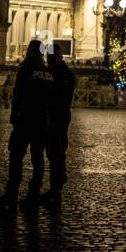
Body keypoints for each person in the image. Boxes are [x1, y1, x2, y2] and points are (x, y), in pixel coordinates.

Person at [0, 39, 53, 212]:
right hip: (41, 120)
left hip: (25, 119)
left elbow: (19, 94)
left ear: (32, 52)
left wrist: (15, 115)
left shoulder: (26, 69)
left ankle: (11, 194)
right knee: (38, 159)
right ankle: (33, 194)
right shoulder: (47, 72)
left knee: (16, 157)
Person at [42, 42, 77, 205]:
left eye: (51, 57)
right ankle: (54, 186)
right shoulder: (54, 72)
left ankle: (56, 186)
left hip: (58, 116)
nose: (49, 59)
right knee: (52, 152)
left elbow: (61, 97)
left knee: (56, 152)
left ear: (58, 56)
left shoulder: (63, 74)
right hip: (54, 115)